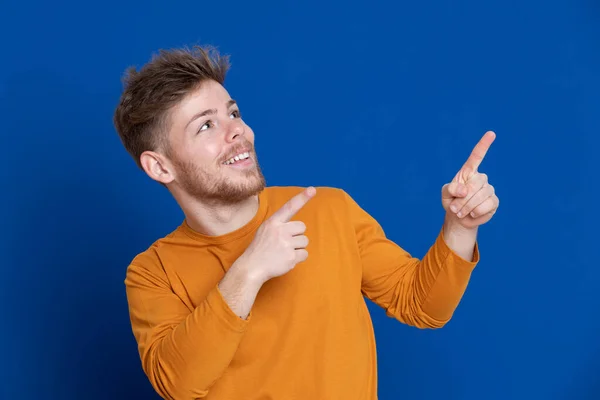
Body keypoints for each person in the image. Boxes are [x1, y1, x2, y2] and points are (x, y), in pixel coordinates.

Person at [113, 45, 499, 400]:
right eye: (206, 126)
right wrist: (248, 271)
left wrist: (461, 226)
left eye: (233, 113)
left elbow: (422, 305)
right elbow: (178, 383)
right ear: (159, 166)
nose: (238, 131)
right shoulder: (152, 273)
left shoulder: (329, 209)